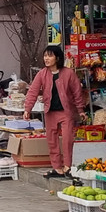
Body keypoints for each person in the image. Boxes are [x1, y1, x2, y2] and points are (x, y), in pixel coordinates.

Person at [23, 45, 86, 179]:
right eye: (45, 55)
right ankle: (57, 168)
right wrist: (27, 109)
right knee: (52, 141)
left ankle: (68, 167)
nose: (46, 58)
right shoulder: (42, 74)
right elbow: (33, 91)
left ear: (57, 58)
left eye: (50, 56)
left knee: (68, 139)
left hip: (66, 111)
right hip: (50, 112)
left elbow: (77, 92)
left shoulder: (69, 73)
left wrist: (80, 110)